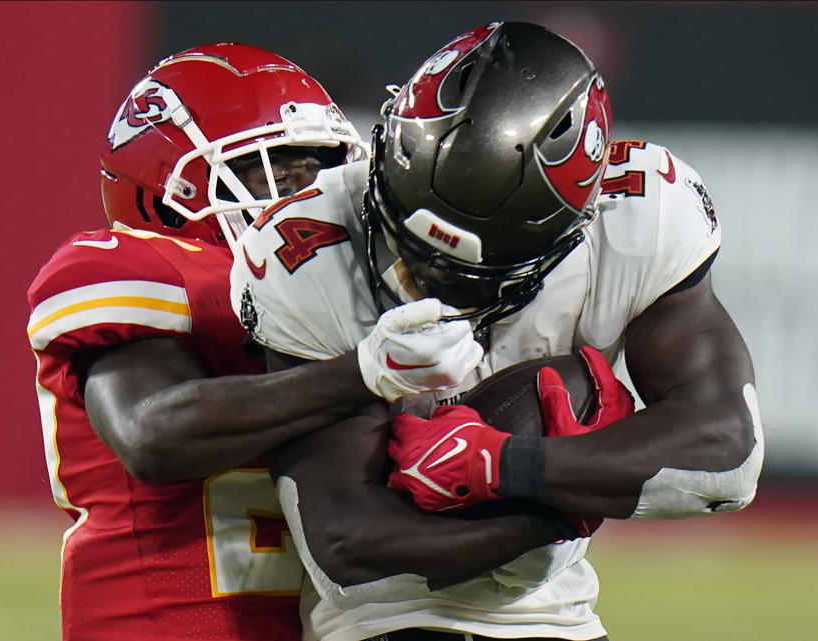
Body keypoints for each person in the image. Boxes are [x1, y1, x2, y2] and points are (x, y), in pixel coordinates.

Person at [229, 21, 764, 641]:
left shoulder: (637, 218)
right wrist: (550, 507)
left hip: (556, 617)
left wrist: (507, 466)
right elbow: (343, 541)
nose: (417, 273)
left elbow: (727, 454)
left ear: (565, 235)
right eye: (401, 231)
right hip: (383, 621)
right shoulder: (307, 244)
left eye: (458, 271)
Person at [26, 43, 488, 641]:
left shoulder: (350, 288)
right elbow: (152, 436)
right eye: (275, 170)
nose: (308, 195)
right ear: (172, 189)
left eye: (321, 169)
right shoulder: (151, 269)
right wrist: (364, 373)